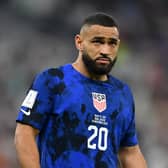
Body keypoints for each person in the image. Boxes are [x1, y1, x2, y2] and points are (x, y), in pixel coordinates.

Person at [14, 13, 147, 168]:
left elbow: (130, 152)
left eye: (112, 43)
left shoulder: (122, 93)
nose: (105, 50)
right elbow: (24, 133)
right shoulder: (53, 80)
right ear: (79, 42)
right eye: (97, 42)